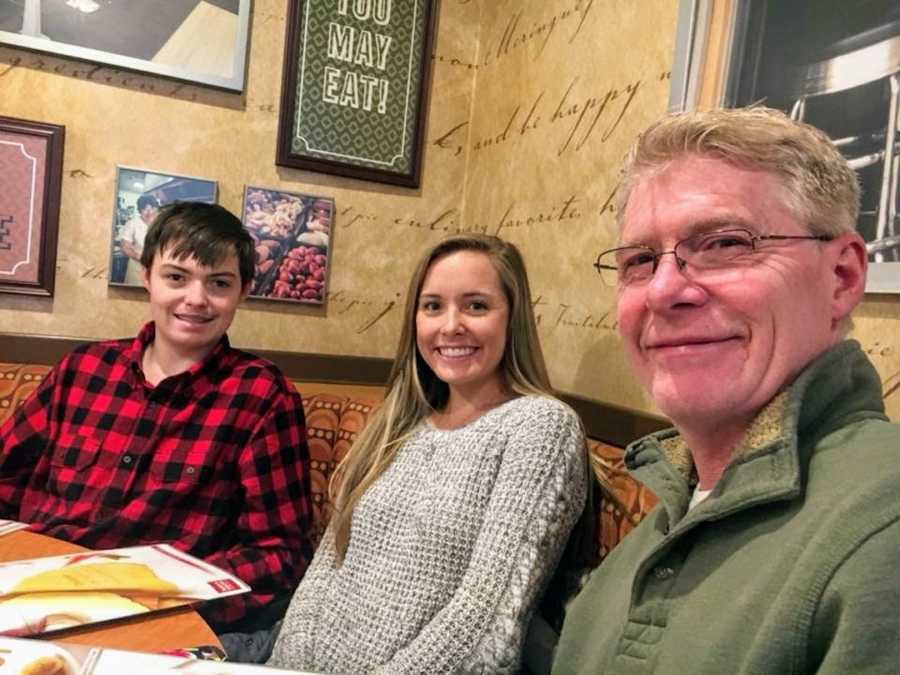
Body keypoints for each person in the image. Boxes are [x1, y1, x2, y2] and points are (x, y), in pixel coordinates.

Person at [553, 106, 900, 673]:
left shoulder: (882, 525)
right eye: (640, 260)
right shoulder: (640, 549)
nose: (664, 290)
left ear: (842, 278)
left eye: (725, 244)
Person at [267, 233, 589, 673]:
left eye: (476, 305)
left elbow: (486, 624)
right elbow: (327, 568)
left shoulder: (540, 427)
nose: (450, 325)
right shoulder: (399, 422)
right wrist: (287, 666)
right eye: (433, 306)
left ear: (512, 319)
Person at [0, 202, 313, 637]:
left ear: (243, 291)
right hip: (32, 589)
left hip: (154, 613)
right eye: (176, 277)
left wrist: (172, 598)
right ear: (147, 276)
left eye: (219, 283)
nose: (196, 299)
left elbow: (280, 553)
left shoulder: (261, 395)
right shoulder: (84, 368)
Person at [118, 194, 159, 285]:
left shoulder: (160, 224)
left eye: (152, 208)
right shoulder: (133, 223)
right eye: (145, 209)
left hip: (156, 270)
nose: (149, 212)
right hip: (137, 269)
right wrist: (141, 258)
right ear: (140, 210)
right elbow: (125, 246)